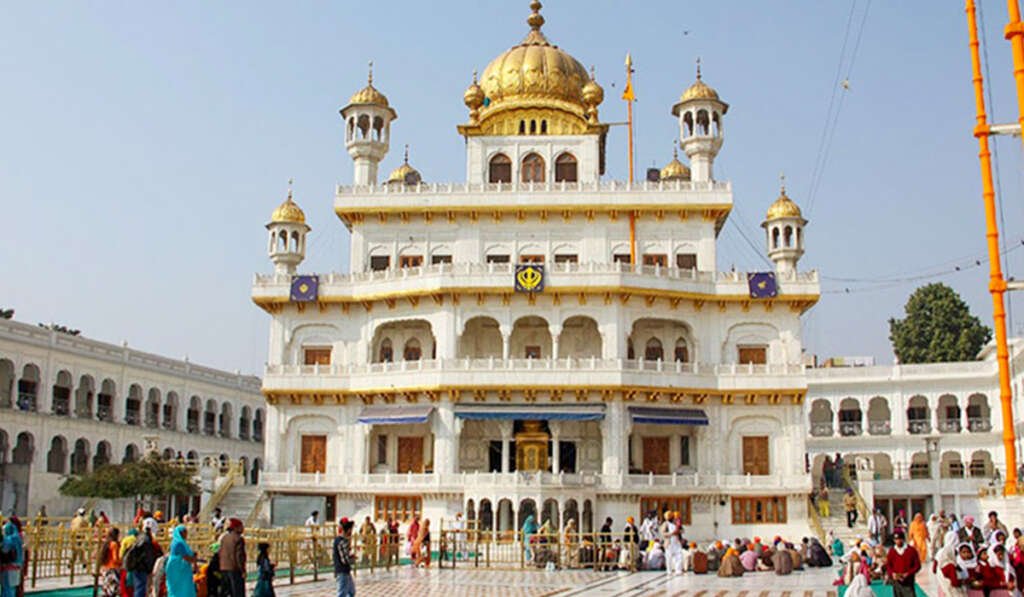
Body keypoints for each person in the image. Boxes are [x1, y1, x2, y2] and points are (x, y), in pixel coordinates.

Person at [885, 531, 922, 597]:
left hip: (908, 582)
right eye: (895, 539)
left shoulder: (911, 550)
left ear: (903, 539)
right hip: (897, 582)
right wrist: (892, 574)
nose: (897, 541)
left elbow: (917, 565)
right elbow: (888, 565)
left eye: (899, 539)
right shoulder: (892, 551)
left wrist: (908, 573)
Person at [164, 526, 196, 597]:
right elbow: (185, 556)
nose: (186, 534)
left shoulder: (179, 542)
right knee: (181, 587)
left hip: (179, 567)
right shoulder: (179, 543)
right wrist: (194, 560)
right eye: (185, 532)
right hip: (178, 568)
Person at [218, 519, 246, 597]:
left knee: (225, 591)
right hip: (234, 568)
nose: (243, 528)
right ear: (235, 527)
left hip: (223, 567)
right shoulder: (238, 539)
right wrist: (242, 570)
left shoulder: (224, 538)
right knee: (237, 592)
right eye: (241, 526)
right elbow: (239, 556)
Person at [96, 527, 122, 597]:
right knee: (114, 590)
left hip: (105, 569)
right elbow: (115, 558)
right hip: (113, 569)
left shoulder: (106, 543)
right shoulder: (114, 544)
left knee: (107, 590)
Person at [333, 518, 355, 597]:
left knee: (351, 591)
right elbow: (344, 560)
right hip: (342, 571)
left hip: (345, 571)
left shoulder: (341, 540)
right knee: (342, 593)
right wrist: (352, 559)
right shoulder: (342, 541)